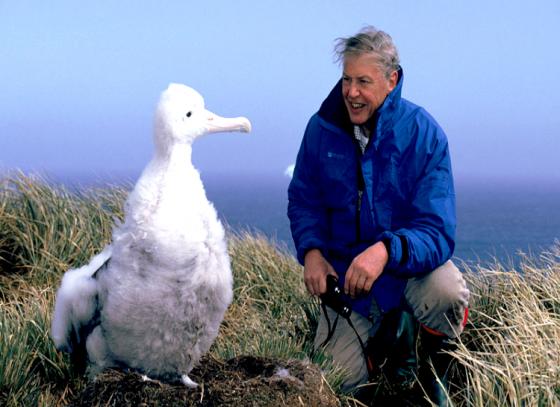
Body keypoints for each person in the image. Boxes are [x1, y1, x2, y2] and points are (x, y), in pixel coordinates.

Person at [287, 26, 470, 406]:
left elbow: (437, 231)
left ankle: (433, 369)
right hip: (348, 290)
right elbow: (304, 200)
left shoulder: (424, 134)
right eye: (346, 80)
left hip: (406, 275)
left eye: (363, 82)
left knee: (446, 292)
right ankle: (385, 346)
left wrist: (385, 250)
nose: (351, 92)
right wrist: (312, 252)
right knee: (333, 384)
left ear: (392, 80)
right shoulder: (321, 130)